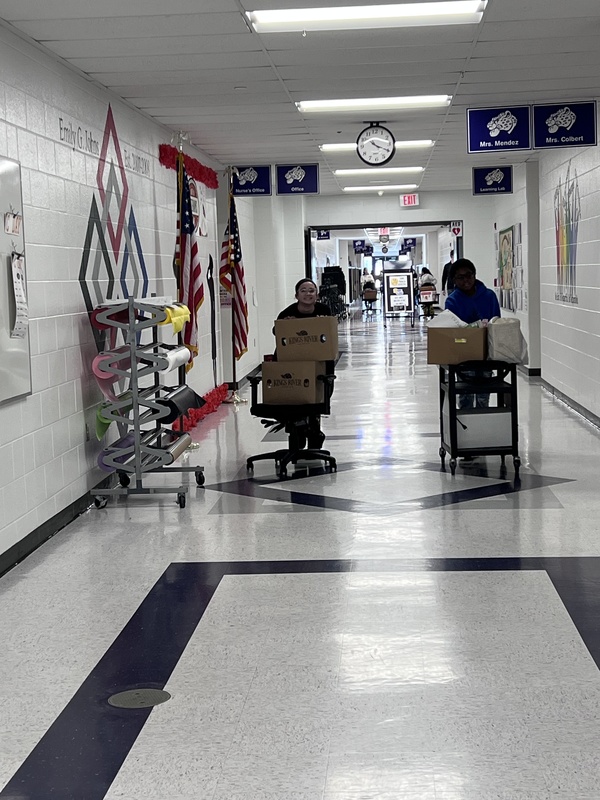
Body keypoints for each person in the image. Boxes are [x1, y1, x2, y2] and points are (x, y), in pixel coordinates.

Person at [275, 278, 332, 449]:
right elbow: (277, 332)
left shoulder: (324, 310)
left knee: (317, 399)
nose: (308, 294)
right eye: (304, 290)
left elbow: (331, 334)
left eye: (311, 290)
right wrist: (287, 325)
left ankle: (315, 433)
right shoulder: (287, 313)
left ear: (317, 294)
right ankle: (297, 432)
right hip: (294, 363)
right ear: (296, 295)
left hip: (319, 363)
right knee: (296, 398)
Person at [445, 258, 500, 413]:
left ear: (474, 275)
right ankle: (466, 428)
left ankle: (482, 426)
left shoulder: (489, 296)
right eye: (460, 278)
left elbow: (496, 323)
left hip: (486, 352)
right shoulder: (452, 301)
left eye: (468, 275)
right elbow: (453, 329)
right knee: (465, 395)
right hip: (464, 353)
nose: (466, 280)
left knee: (483, 394)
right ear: (454, 280)